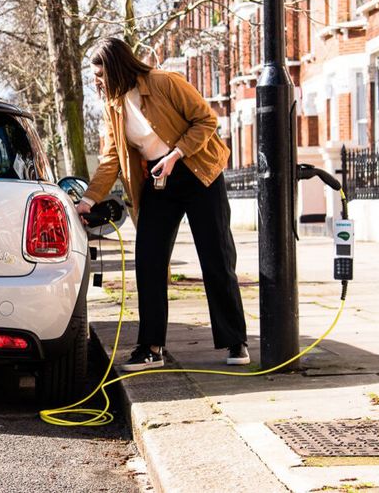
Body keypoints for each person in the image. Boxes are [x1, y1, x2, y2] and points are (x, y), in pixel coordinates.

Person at [76, 37, 249, 371]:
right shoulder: (113, 107)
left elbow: (206, 120)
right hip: (158, 180)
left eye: (100, 74)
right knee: (149, 262)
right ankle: (150, 348)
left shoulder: (165, 82)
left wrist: (176, 155)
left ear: (118, 68)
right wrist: (88, 199)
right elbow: (112, 157)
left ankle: (235, 340)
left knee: (216, 258)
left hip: (199, 172)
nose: (96, 81)